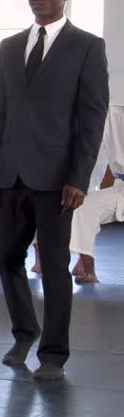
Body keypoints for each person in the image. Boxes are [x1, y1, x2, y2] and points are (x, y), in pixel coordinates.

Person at [0, 0, 110, 381]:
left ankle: (54, 354)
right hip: (11, 172)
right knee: (7, 258)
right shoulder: (8, 47)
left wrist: (80, 178)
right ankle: (24, 331)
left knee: (55, 266)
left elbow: (92, 118)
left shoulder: (88, 47)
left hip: (58, 179)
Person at [69, 103, 124, 284]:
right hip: (120, 187)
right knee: (84, 207)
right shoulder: (111, 112)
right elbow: (95, 151)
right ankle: (88, 269)